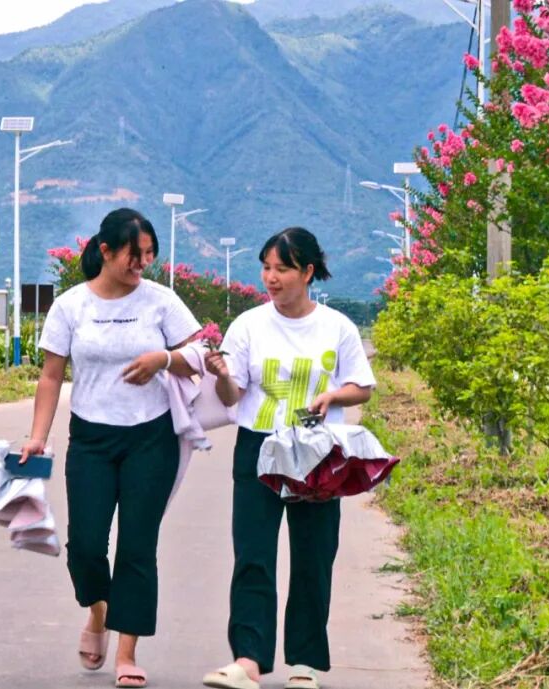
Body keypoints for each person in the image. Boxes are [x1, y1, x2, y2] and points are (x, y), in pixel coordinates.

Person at [21, 208, 200, 689]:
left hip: (151, 437)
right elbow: (51, 376)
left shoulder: (161, 301)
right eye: (133, 254)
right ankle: (99, 611)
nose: (142, 264)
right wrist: (38, 435)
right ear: (105, 251)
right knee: (85, 546)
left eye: (149, 255)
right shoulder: (71, 306)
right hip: (91, 439)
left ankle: (127, 652)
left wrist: (164, 358)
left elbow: (199, 354)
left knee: (138, 546)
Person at [201, 227, 376, 689]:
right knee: (253, 555)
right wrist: (221, 375)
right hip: (259, 448)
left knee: (313, 557)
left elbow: (363, 386)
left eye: (282, 269)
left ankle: (305, 663)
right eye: (266, 268)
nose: (271, 278)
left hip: (317, 453)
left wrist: (333, 395)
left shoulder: (337, 327)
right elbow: (232, 395)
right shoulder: (248, 325)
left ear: (308, 272)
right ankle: (248, 661)